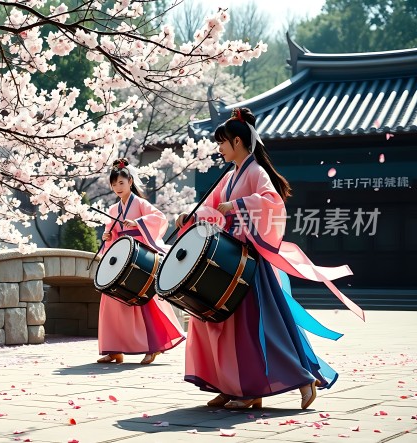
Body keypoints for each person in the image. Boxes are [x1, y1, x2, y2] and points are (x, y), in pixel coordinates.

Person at [175, 107, 364, 409]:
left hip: (248, 259)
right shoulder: (229, 177)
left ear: (238, 142)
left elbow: (272, 204)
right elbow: (211, 209)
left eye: (223, 142)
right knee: (215, 321)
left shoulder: (255, 172)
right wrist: (190, 217)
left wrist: (235, 205)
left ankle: (285, 381)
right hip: (230, 255)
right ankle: (229, 383)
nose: (220, 148)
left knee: (255, 326)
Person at [97, 158, 186, 365]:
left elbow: (160, 219)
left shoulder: (141, 204)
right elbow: (112, 233)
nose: (118, 187)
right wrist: (108, 237)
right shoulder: (113, 210)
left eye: (121, 182)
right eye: (114, 184)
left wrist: (137, 223)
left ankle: (154, 346)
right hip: (122, 257)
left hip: (139, 255)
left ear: (130, 182)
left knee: (145, 298)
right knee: (111, 298)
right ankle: (114, 349)